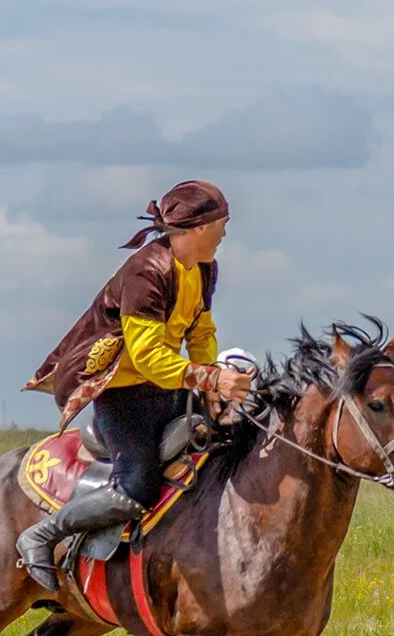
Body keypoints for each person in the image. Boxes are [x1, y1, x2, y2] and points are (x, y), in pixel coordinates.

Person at [17, 180, 253, 591]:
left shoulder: (204, 268)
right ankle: (42, 534)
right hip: (123, 395)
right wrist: (213, 378)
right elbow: (148, 359)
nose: (226, 233)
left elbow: (200, 334)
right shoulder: (147, 271)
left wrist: (212, 390)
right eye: (223, 223)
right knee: (137, 487)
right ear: (200, 228)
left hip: (169, 387)